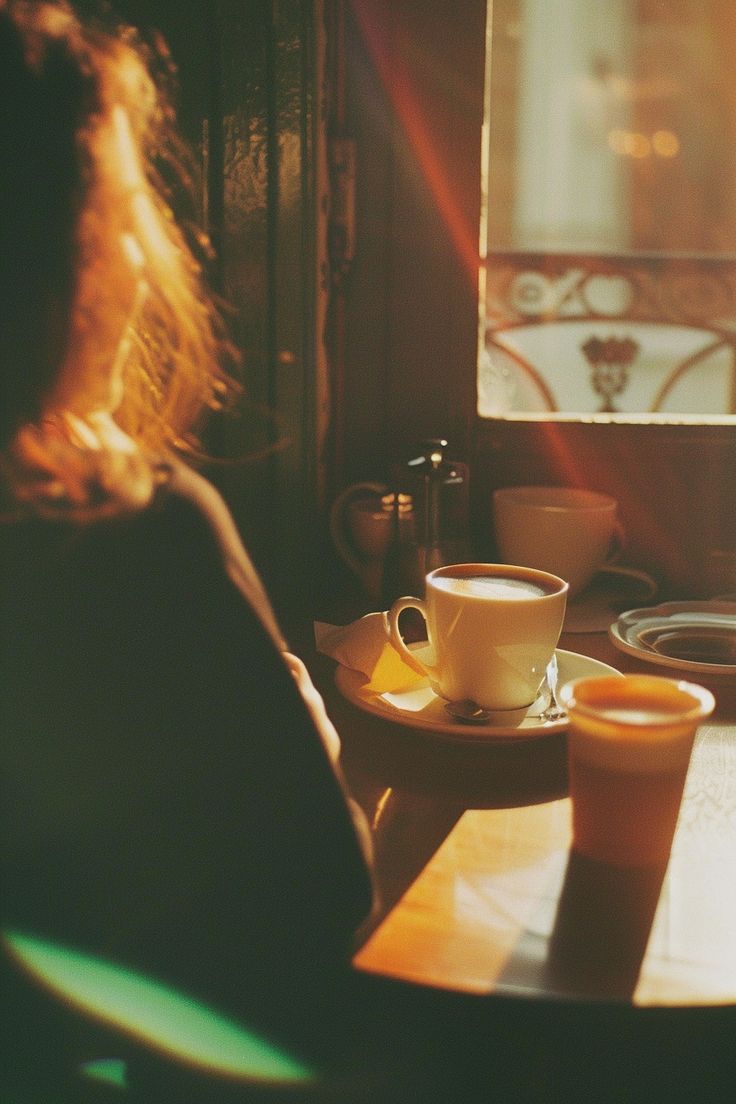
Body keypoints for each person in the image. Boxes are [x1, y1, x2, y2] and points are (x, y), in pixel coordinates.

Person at [0, 1, 374, 1094]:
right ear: (40, 262)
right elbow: (301, 944)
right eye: (114, 209)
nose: (138, 249)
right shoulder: (119, 543)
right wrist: (308, 742)